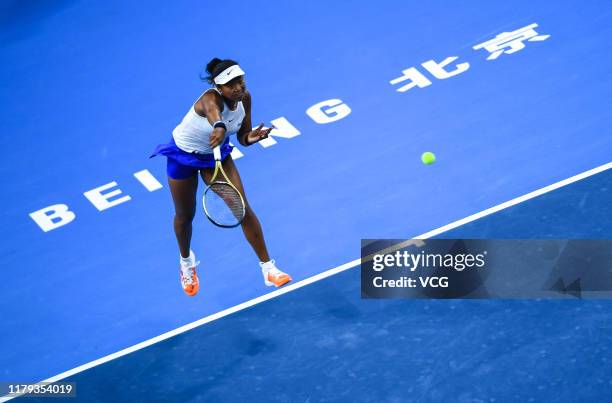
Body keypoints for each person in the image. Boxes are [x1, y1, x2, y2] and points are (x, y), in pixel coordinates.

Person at [151, 58, 292, 296]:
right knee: (185, 216)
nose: (238, 87)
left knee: (242, 208)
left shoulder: (244, 98)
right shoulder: (210, 99)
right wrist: (218, 127)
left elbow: (243, 136)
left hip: (215, 157)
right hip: (183, 156)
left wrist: (251, 138)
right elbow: (213, 114)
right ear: (219, 88)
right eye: (231, 84)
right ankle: (186, 262)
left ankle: (269, 269)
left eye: (240, 80)